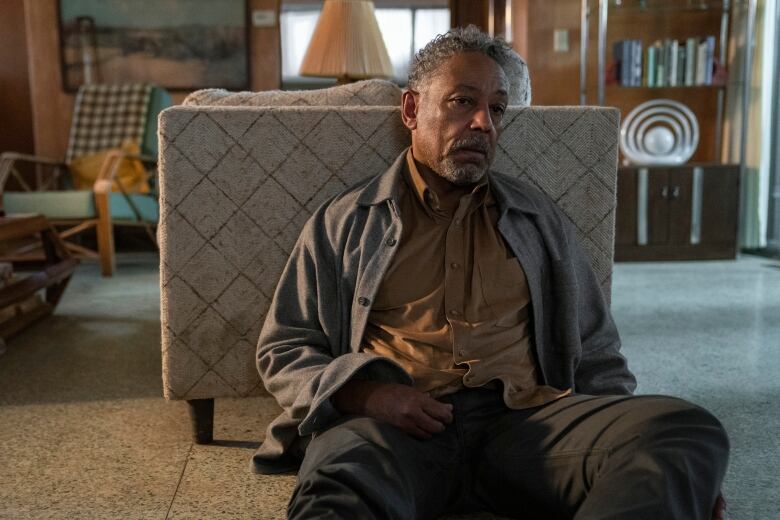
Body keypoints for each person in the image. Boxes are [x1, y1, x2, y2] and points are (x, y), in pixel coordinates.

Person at [253, 26, 729, 520]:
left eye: (497, 109)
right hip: (399, 430)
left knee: (683, 429)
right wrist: (369, 394)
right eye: (462, 102)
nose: (484, 123)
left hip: (526, 430)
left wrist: (665, 473)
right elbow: (284, 347)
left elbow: (597, 352)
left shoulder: (537, 219)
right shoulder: (349, 220)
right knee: (337, 474)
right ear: (412, 110)